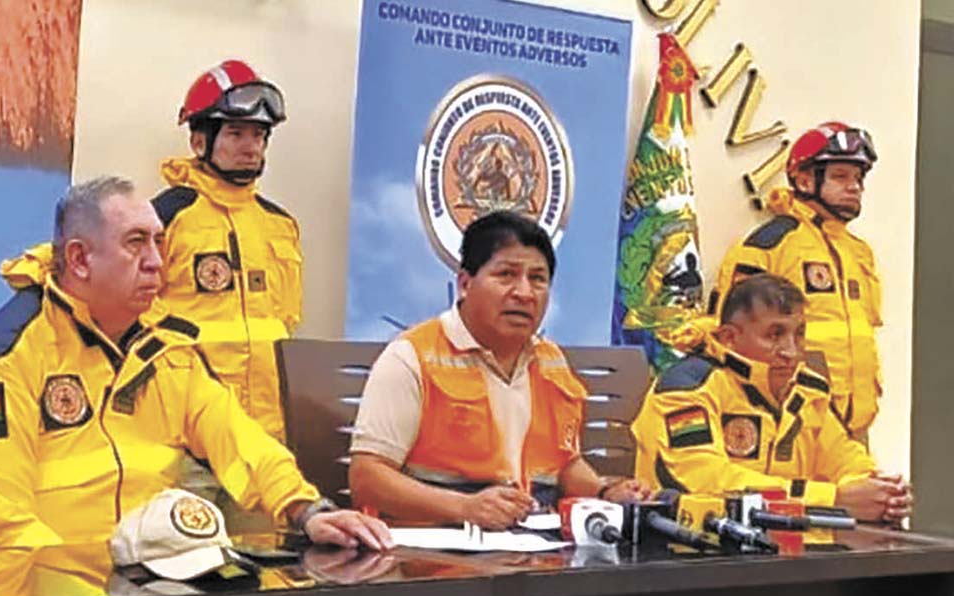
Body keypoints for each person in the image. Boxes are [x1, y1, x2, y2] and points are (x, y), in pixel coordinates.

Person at [0, 176, 392, 551]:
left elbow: (240, 439)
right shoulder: (3, 358)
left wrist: (305, 509)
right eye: (136, 244)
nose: (158, 262)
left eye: (159, 242)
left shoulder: (166, 351)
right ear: (79, 258)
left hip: (142, 587)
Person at [348, 212, 649, 531]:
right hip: (429, 554)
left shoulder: (551, 361)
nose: (524, 293)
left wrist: (605, 491)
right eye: (506, 275)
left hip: (532, 548)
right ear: (465, 284)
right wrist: (464, 508)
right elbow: (367, 478)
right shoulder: (411, 357)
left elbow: (563, 465)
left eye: (538, 279)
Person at [632, 274, 911, 522]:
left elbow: (845, 458)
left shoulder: (808, 390)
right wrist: (832, 499)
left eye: (799, 334)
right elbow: (702, 480)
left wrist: (876, 492)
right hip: (690, 551)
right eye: (775, 335)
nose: (791, 351)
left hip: (792, 546)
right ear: (729, 338)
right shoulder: (685, 389)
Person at [150, 60, 301, 443]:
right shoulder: (165, 217)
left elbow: (286, 322)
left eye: (259, 134)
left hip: (266, 438)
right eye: (235, 133)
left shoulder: (280, 225)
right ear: (200, 140)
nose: (250, 146)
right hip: (186, 436)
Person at [710, 122, 881, 440]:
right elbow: (731, 340)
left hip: (853, 428)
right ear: (804, 179)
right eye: (841, 176)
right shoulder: (771, 243)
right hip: (790, 421)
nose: (855, 187)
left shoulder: (859, 253)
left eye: (859, 178)